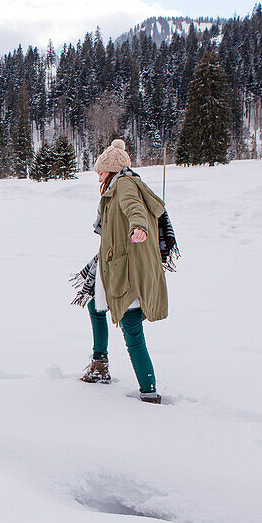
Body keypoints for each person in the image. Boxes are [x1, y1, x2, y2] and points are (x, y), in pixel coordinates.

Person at [70, 139, 167, 403]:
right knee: (95, 306)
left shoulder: (124, 185)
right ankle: (99, 366)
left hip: (128, 268)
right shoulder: (117, 185)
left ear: (112, 169)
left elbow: (133, 208)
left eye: (100, 171)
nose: (97, 175)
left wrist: (139, 226)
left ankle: (149, 393)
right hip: (113, 263)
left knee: (132, 328)